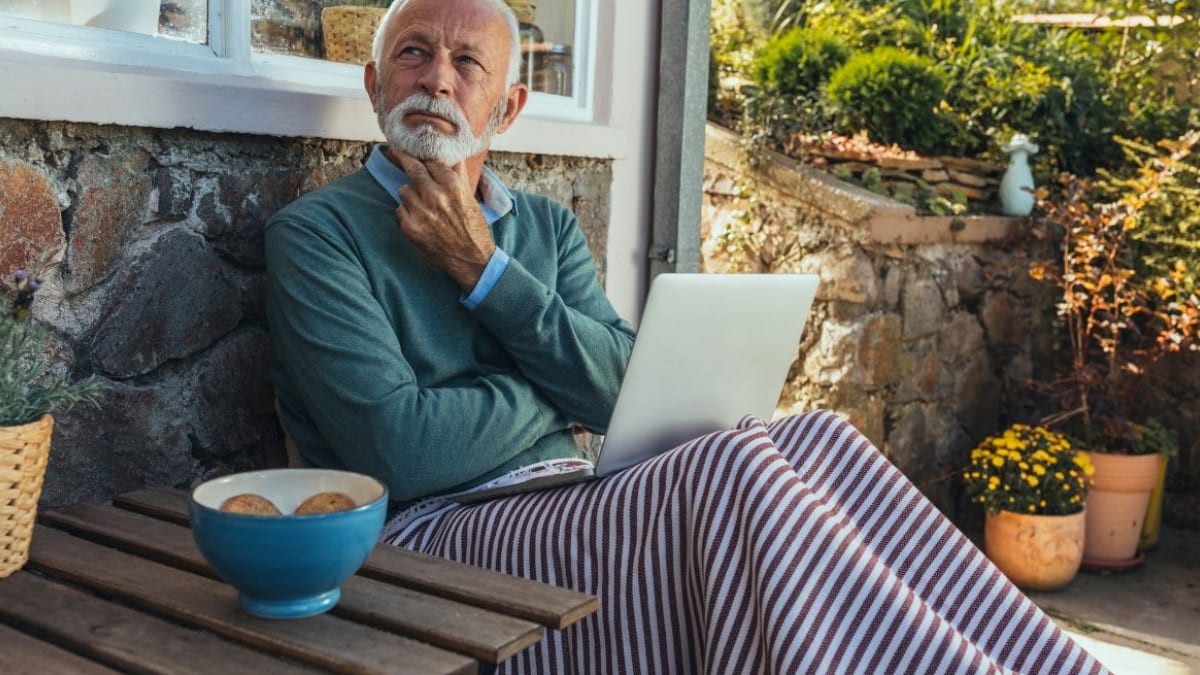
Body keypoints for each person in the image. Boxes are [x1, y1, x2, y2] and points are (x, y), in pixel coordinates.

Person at [264, 0, 1107, 672]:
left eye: (467, 62)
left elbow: (617, 388)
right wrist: (558, 382)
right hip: (433, 530)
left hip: (572, 494)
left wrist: (487, 272)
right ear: (374, 83)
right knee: (736, 467)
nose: (437, 80)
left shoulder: (546, 230)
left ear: (508, 107)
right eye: (414, 53)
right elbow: (399, 448)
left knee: (816, 434)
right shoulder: (318, 235)